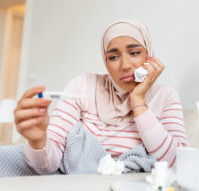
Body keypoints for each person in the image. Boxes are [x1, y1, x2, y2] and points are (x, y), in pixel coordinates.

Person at [14, 19, 188, 175]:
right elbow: (48, 166)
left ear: (149, 54)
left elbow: (178, 164)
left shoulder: (165, 96)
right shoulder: (83, 86)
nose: (125, 65)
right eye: (113, 57)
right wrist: (38, 141)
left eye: (134, 53)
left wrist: (138, 101)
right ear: (106, 62)